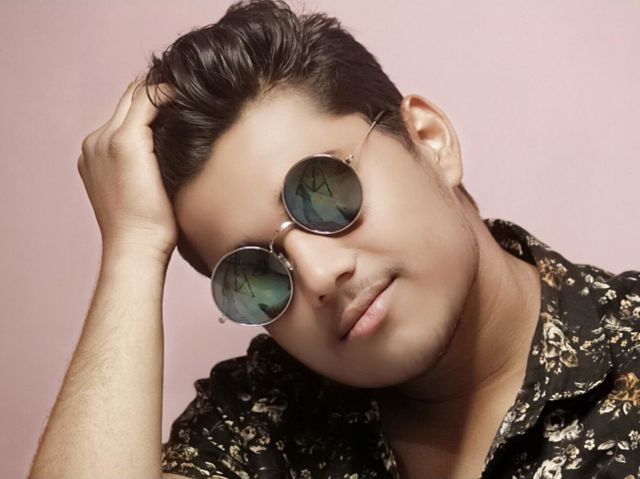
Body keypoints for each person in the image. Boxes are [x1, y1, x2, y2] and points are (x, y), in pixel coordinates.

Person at [29, 1, 640, 478]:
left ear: (428, 140)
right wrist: (133, 248)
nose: (320, 276)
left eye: (323, 192)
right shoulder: (261, 422)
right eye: (255, 273)